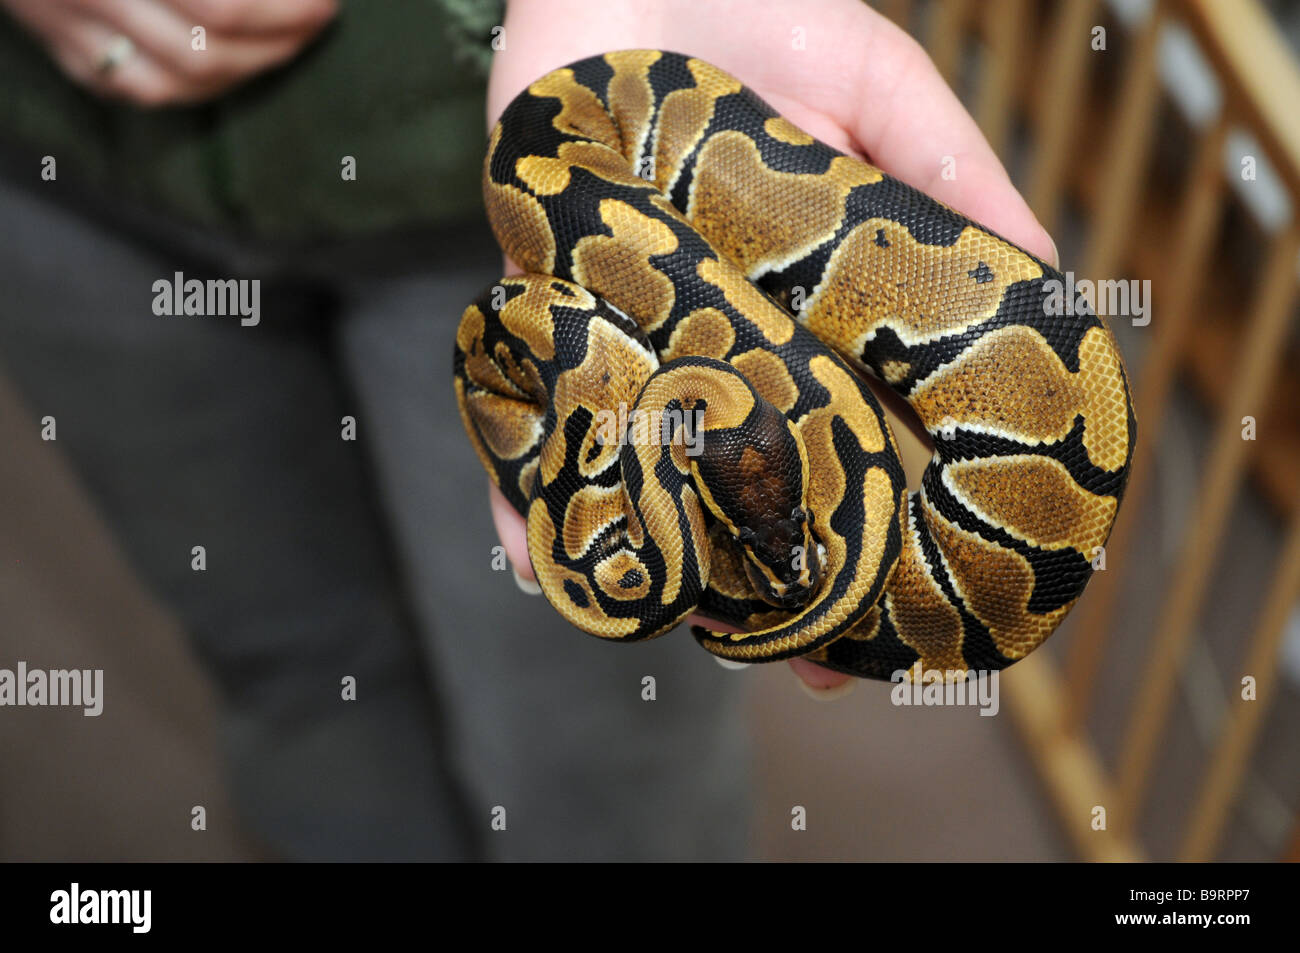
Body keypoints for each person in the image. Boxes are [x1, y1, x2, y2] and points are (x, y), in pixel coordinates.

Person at [0, 0, 1055, 860]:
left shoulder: (661, 389)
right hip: (46, 173)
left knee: (588, 745)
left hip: (447, 160)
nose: (787, 559)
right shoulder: (675, 409)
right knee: (290, 646)